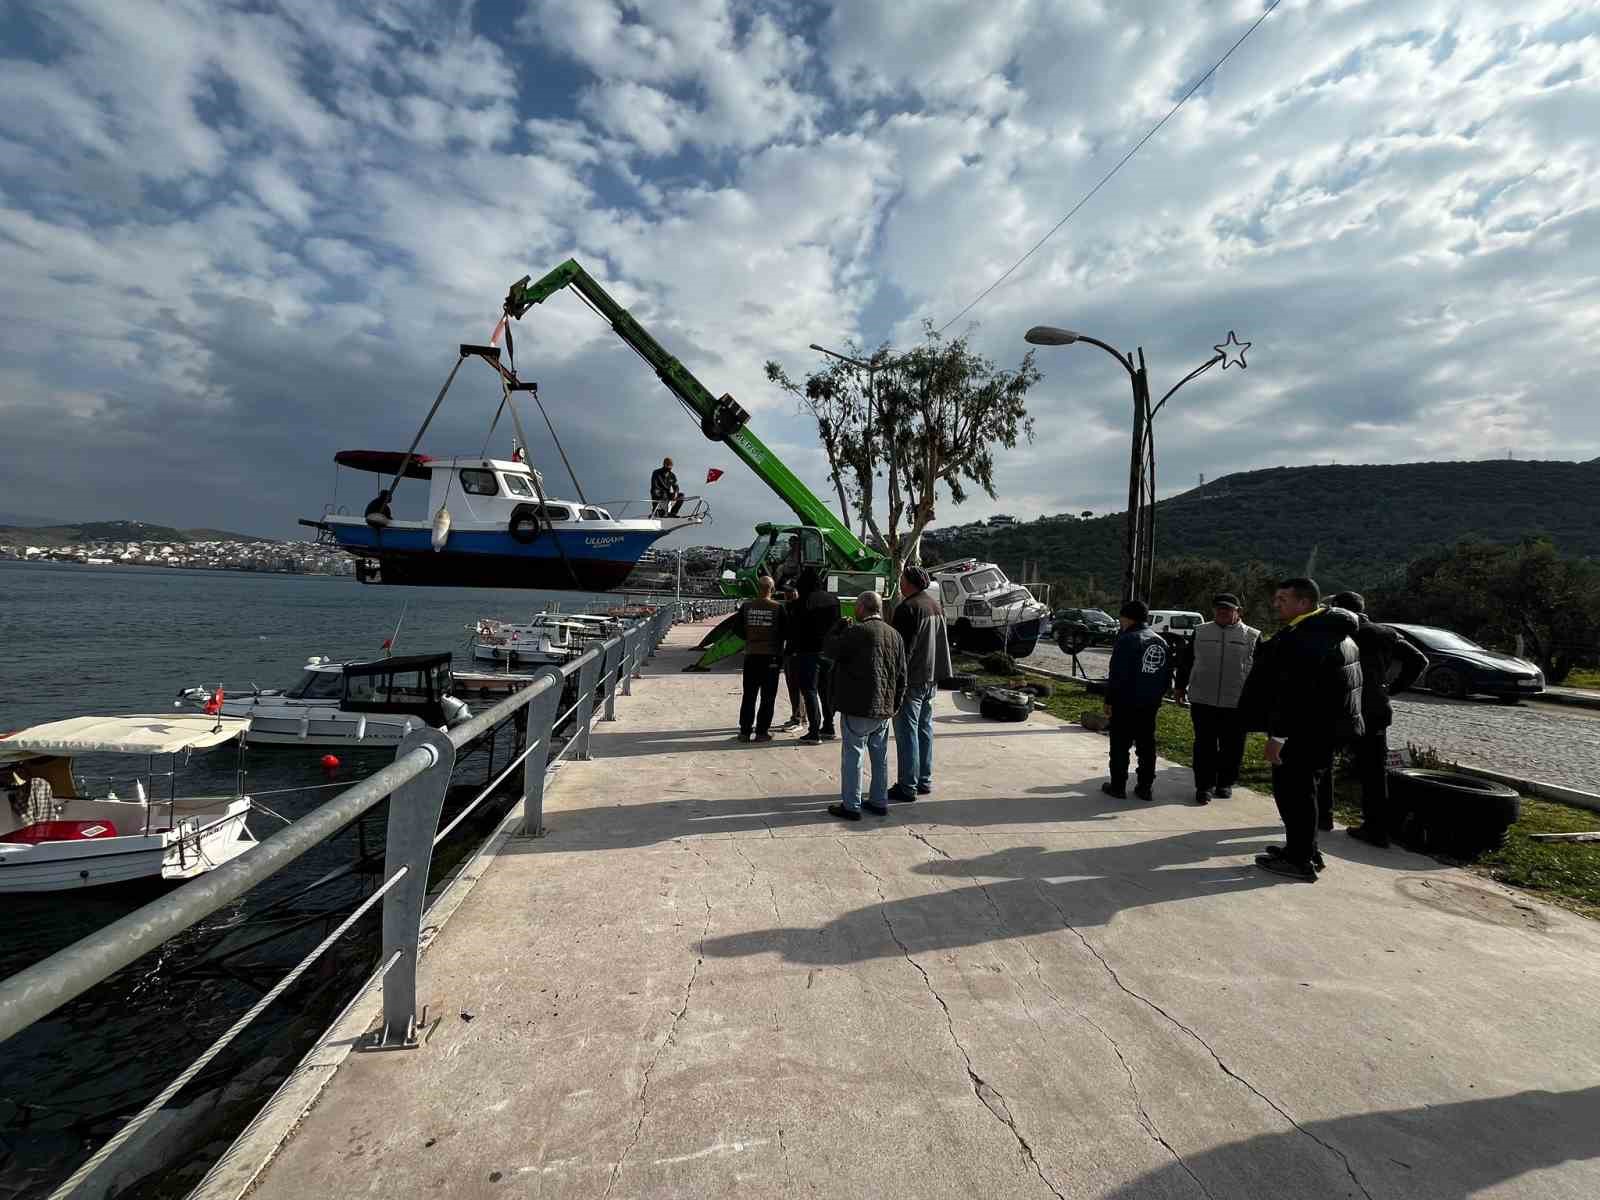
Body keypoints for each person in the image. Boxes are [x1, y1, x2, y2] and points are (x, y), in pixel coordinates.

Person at [1245, 577, 1364, 881]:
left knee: (1294, 794)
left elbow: (1294, 694)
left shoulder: (1309, 637)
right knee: (1305, 793)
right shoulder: (1331, 630)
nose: (1276, 604)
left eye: (1282, 599)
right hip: (1325, 730)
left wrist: (1277, 737)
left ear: (1304, 603)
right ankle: (1305, 850)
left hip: (1305, 732)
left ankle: (1299, 861)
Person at [1325, 590, 1429, 848]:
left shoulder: (1335, 630)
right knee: (1373, 772)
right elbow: (1419, 660)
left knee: (1322, 763)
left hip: (1338, 708)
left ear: (1338, 608)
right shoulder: (1385, 633)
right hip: (1375, 709)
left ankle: (1322, 816)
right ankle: (1376, 828)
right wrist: (1391, 688)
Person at [823, 591, 906, 821]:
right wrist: (895, 704)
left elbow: (829, 650)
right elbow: (902, 675)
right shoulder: (895, 635)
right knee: (880, 757)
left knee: (853, 757)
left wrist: (837, 628)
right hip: (884, 708)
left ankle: (852, 805)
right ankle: (879, 801)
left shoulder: (855, 632)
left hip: (858, 706)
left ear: (861, 608)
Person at [1173, 593, 1260, 806]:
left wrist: (1258, 699)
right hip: (1204, 700)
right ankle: (1203, 787)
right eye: (1219, 609)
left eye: (1228, 609)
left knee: (1233, 746)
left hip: (1237, 703)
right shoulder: (1201, 632)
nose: (1222, 612)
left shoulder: (1253, 635)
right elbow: (1186, 661)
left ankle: (1225, 783)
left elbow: (1261, 671)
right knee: (1204, 746)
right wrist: (1180, 686)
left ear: (1238, 612)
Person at [889, 565, 952, 801]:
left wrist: (894, 681)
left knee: (907, 733)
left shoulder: (908, 608)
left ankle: (907, 786)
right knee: (924, 729)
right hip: (931, 677)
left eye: (902, 579)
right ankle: (924, 780)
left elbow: (901, 651)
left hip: (912, 680)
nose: (900, 583)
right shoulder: (935, 606)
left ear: (911, 583)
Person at [1102, 600, 1172, 802]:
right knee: (1147, 746)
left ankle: (1118, 786)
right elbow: (1167, 675)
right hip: (1150, 704)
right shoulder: (1160, 641)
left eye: (1121, 618)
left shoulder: (1127, 639)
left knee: (1120, 746)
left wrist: (1109, 700)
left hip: (1126, 702)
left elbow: (1117, 675)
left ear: (1127, 617)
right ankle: (1145, 787)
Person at [786, 568, 841, 745]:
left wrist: (789, 651)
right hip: (829, 653)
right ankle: (829, 727)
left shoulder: (799, 603)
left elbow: (793, 630)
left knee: (809, 691)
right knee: (826, 691)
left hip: (807, 652)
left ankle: (814, 732)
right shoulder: (834, 600)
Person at [729, 575, 787, 742]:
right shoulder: (778, 608)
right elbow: (785, 631)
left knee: (749, 695)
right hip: (771, 657)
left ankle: (745, 732)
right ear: (772, 589)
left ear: (757, 588)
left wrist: (749, 637)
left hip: (752, 654)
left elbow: (736, 629)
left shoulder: (747, 607)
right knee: (768, 696)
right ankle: (762, 732)